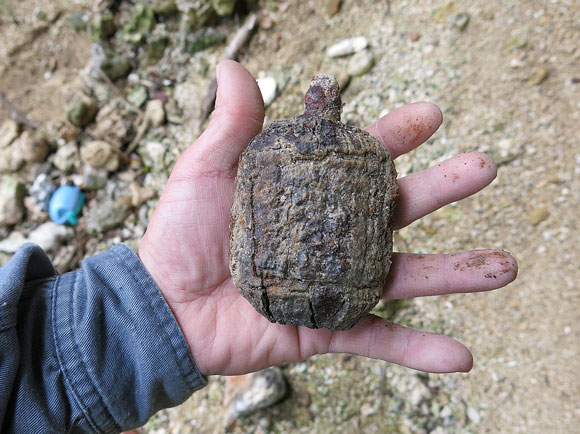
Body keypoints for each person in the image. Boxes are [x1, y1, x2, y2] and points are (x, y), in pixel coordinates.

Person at [0, 60, 517, 433]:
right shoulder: (329, 152)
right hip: (300, 293)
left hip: (303, 292)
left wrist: (115, 333)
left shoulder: (290, 149)